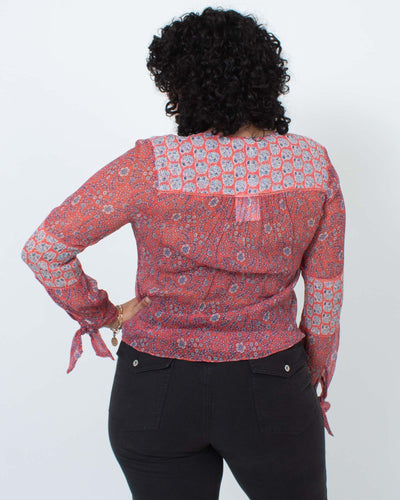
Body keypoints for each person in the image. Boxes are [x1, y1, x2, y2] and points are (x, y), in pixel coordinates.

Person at [21, 6, 346, 500]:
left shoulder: (150, 164)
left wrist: (101, 314)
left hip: (154, 386)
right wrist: (313, 373)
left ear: (181, 84)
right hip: (271, 383)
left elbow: (45, 251)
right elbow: (325, 294)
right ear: (266, 75)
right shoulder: (312, 164)